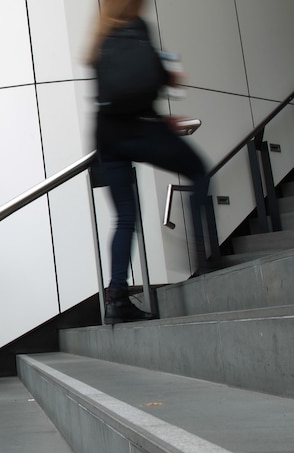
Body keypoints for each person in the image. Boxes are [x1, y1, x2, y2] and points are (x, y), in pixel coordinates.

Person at [88, 0, 209, 323]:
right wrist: (171, 77)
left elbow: (120, 92)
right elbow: (156, 79)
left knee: (125, 217)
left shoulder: (98, 40)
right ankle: (203, 256)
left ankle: (116, 300)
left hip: (107, 137)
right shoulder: (138, 28)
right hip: (141, 132)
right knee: (198, 171)